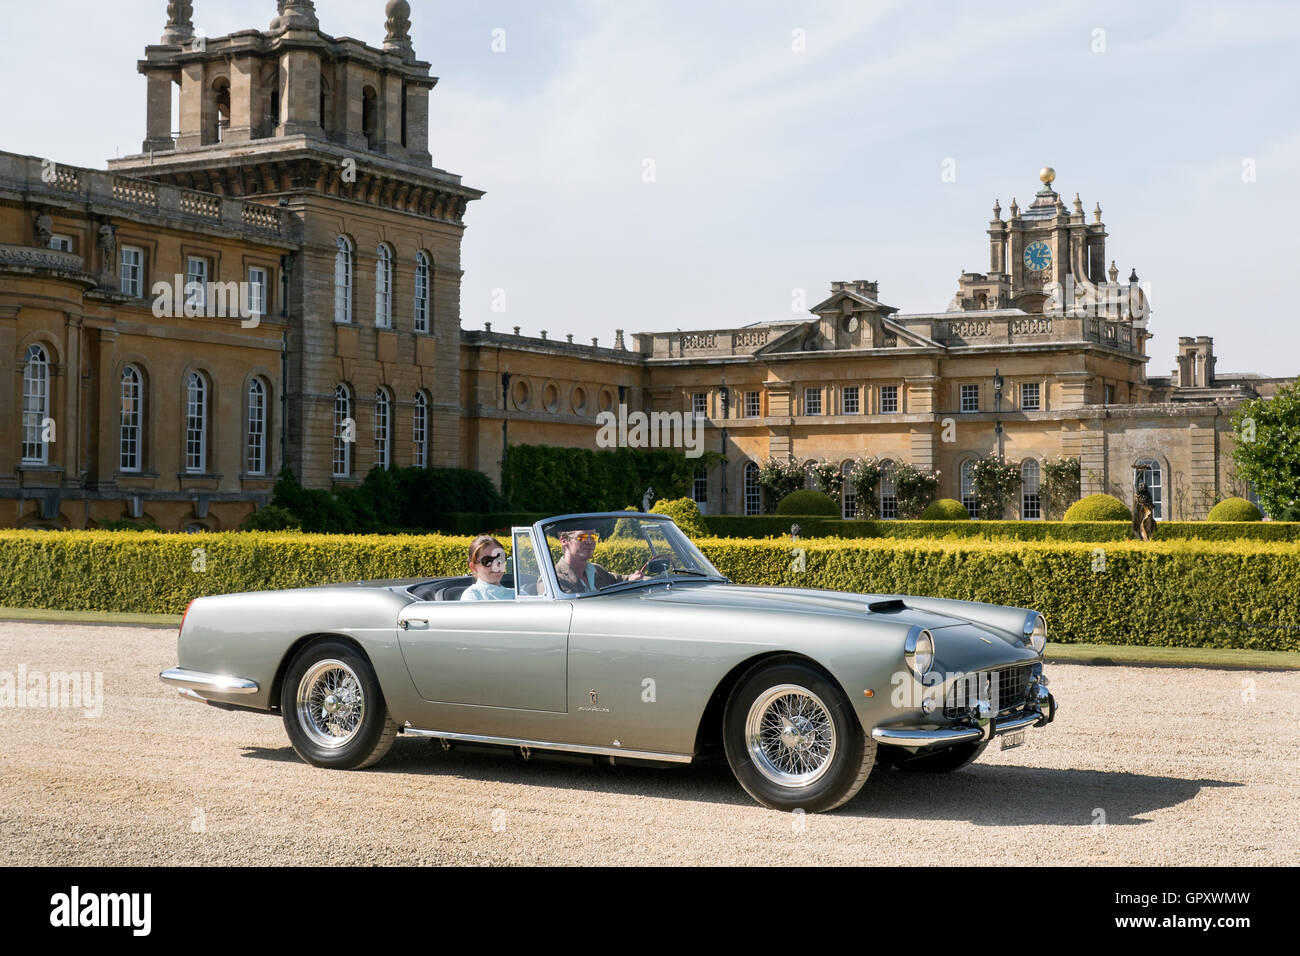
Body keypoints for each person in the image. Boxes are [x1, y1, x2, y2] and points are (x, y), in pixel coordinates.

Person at [553, 528, 643, 594]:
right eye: (582, 537)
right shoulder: (553, 581)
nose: (589, 541)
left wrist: (637, 578)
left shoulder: (597, 570)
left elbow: (623, 580)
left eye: (593, 537)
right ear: (564, 540)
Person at [460, 535, 514, 601]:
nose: (496, 565)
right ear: (474, 567)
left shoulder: (517, 594)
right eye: (487, 560)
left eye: (500, 559)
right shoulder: (471, 596)